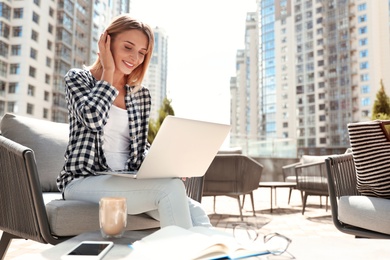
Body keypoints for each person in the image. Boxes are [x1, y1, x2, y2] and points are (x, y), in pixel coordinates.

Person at [56, 14, 211, 229]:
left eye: (141, 52)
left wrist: (167, 166)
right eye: (128, 47)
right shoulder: (78, 79)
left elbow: (139, 148)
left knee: (196, 212)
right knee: (169, 190)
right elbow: (92, 118)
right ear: (106, 42)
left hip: (128, 180)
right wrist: (109, 71)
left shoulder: (140, 94)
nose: (135, 58)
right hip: (83, 180)